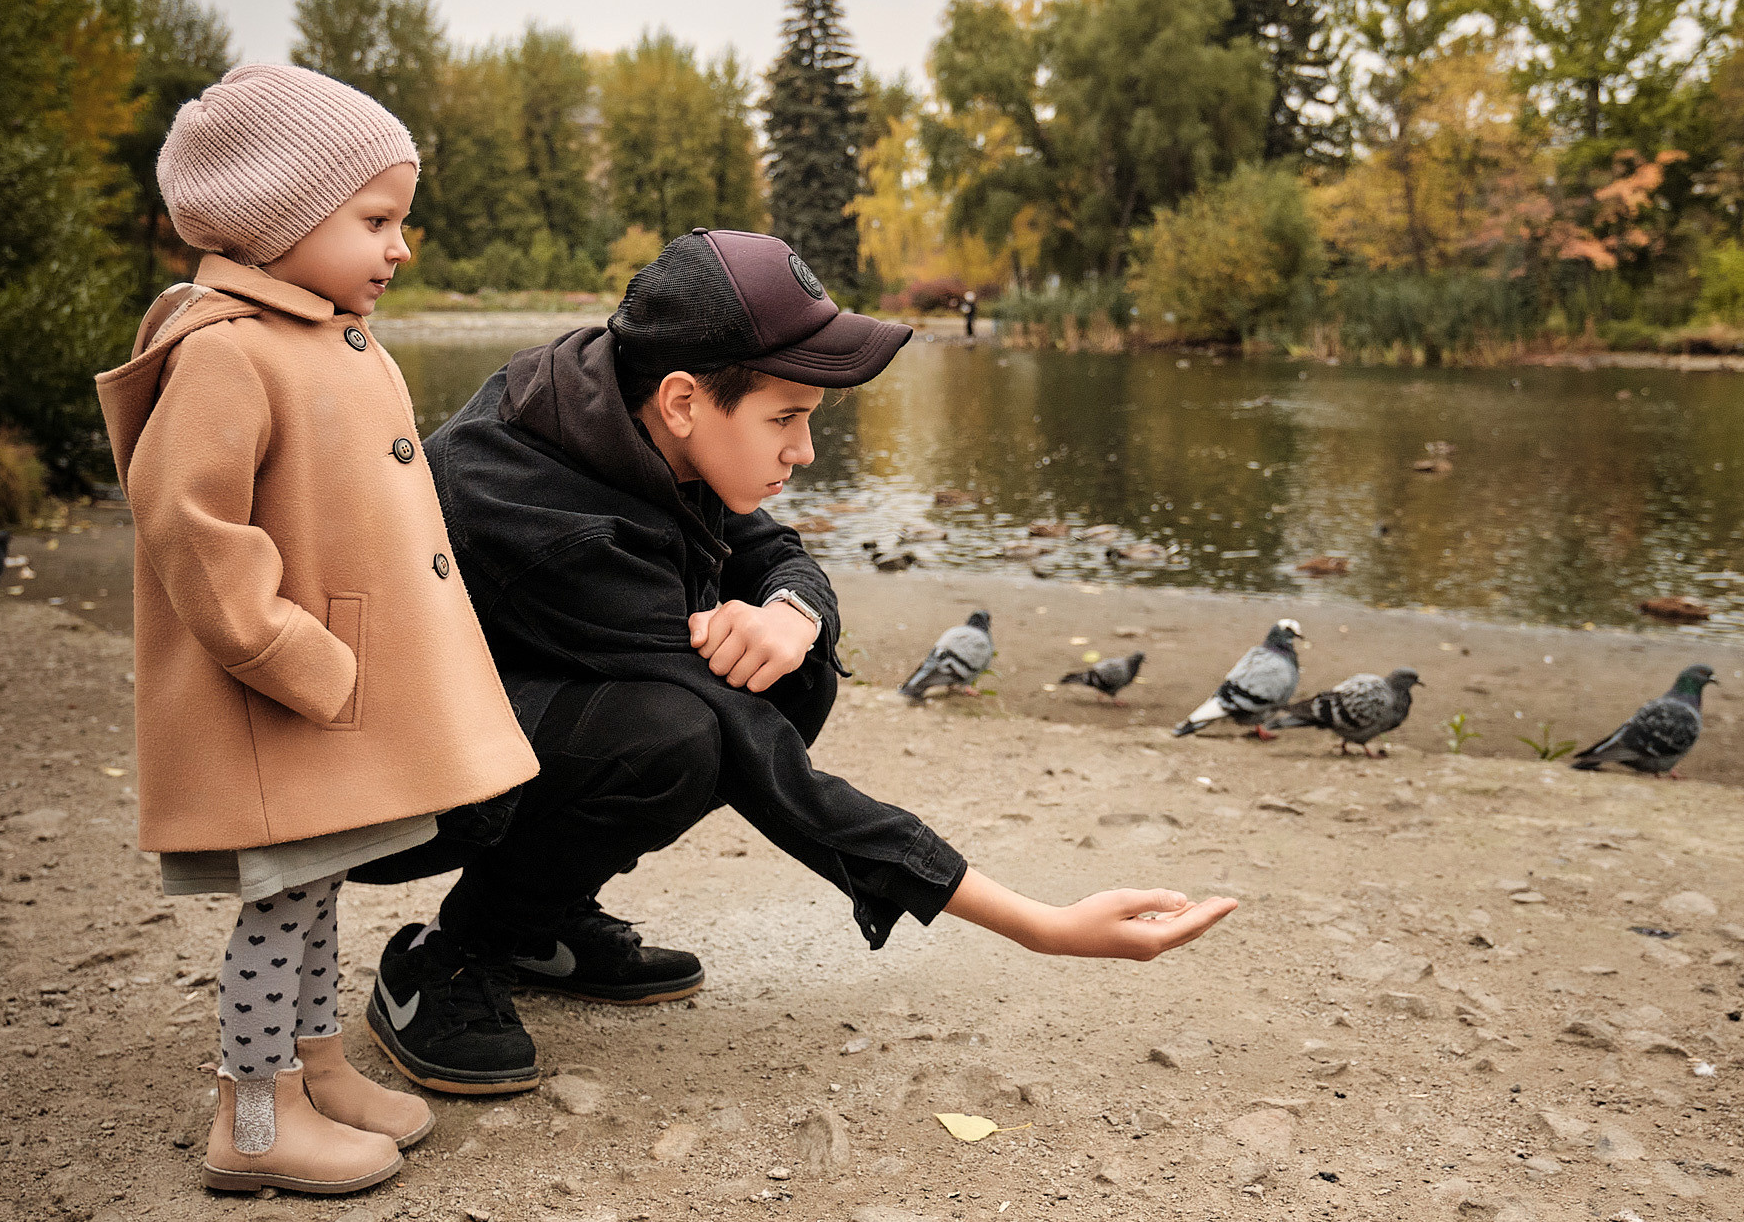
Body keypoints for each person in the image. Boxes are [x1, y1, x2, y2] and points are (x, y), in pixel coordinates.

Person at [354, 229, 1235, 1091]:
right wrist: (1036, 923)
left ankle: (531, 920)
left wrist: (793, 609)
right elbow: (760, 761)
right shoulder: (548, 512)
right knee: (676, 733)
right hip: (390, 784)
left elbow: (775, 550)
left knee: (792, 667)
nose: (804, 451)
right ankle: (447, 955)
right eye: (786, 419)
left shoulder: (623, 402)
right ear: (685, 400)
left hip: (507, 714)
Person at [95, 64, 539, 1193]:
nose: (399, 248)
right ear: (277, 217)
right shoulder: (226, 350)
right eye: (374, 220)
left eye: (399, 220)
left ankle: (315, 1063)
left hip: (325, 699)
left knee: (320, 884)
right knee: (279, 898)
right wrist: (299, 651)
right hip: (284, 693)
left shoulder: (324, 336)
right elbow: (190, 525)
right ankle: (253, 1119)